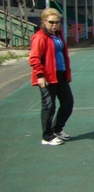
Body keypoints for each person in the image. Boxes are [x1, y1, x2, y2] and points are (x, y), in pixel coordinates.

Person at [29, 8, 74, 145]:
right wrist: (40, 76)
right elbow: (34, 58)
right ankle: (47, 136)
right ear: (44, 22)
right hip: (47, 77)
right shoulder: (40, 37)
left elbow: (63, 56)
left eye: (57, 22)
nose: (54, 25)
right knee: (49, 107)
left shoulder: (58, 35)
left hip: (60, 75)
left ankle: (57, 129)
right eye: (51, 22)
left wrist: (68, 73)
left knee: (68, 103)